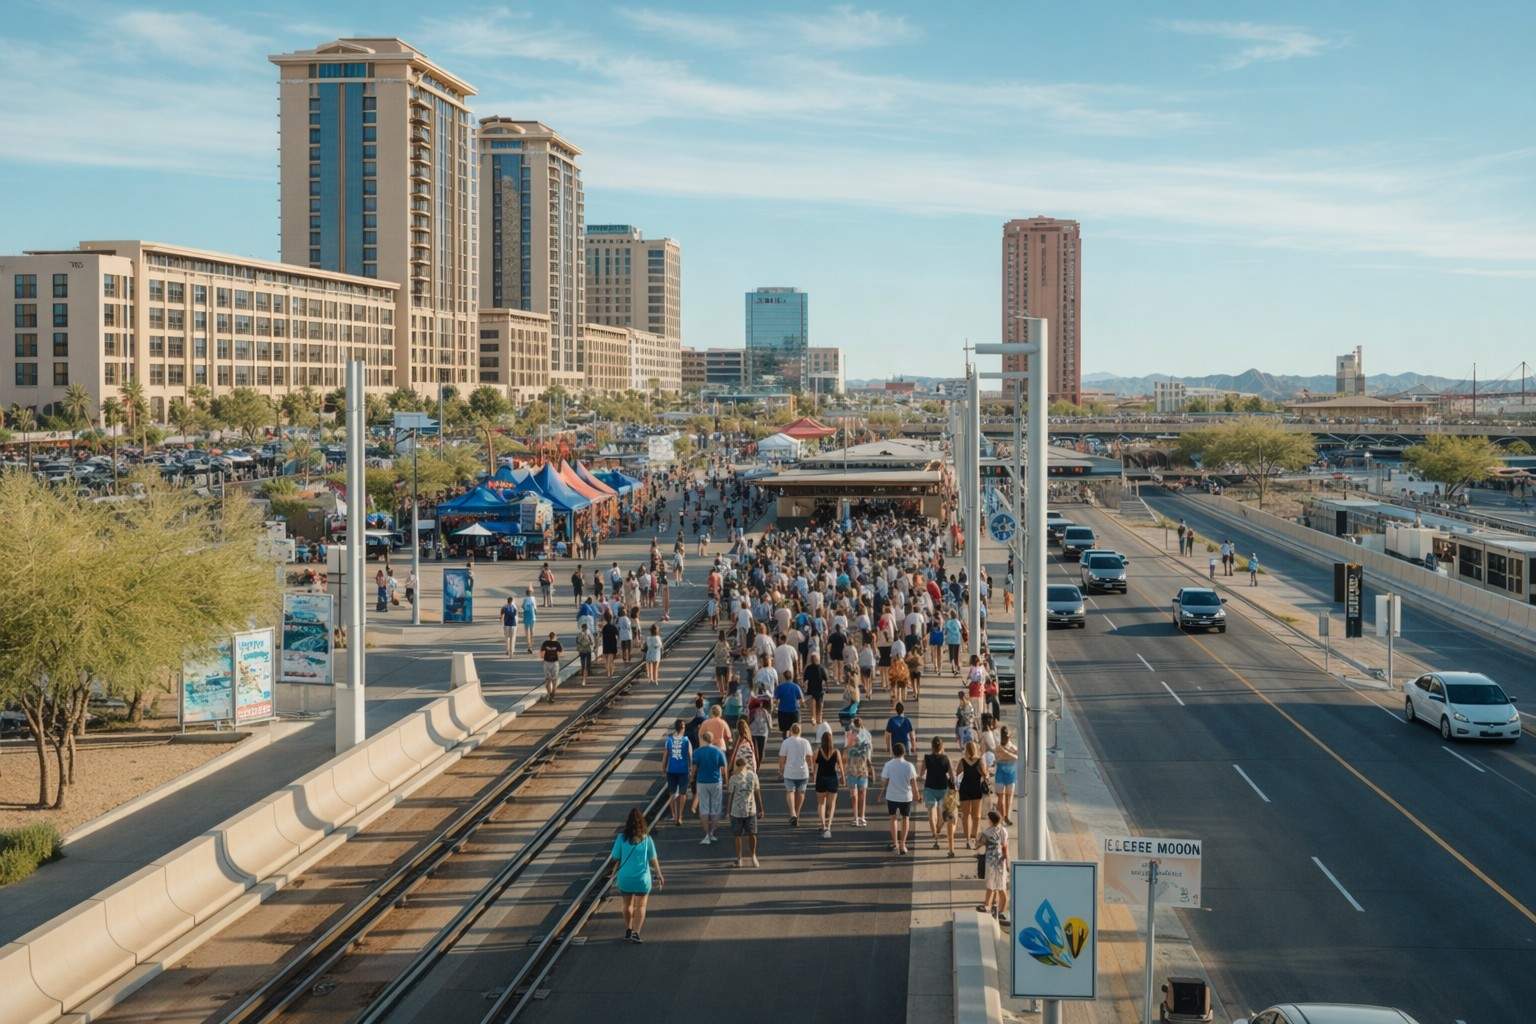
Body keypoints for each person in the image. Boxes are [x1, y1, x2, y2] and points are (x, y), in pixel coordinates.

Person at [609, 808, 663, 943]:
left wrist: (612, 872)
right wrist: (659, 874)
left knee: (627, 905)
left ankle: (628, 929)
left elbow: (615, 857)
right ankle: (636, 933)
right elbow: (653, 858)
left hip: (625, 878)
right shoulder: (647, 839)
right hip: (642, 879)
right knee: (641, 906)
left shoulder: (621, 838)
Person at [727, 751, 765, 868]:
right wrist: (761, 808)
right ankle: (746, 857)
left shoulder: (748, 776)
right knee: (748, 834)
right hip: (746, 810)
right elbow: (757, 792)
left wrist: (728, 811)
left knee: (744, 835)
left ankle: (745, 857)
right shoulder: (737, 777)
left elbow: (731, 796)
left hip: (743, 810)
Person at [922, 736, 957, 856]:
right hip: (943, 789)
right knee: (942, 814)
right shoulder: (946, 758)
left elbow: (921, 774)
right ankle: (938, 829)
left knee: (931, 813)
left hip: (929, 788)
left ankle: (935, 836)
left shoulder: (926, 758)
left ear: (932, 747)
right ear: (942, 747)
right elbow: (952, 776)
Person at [881, 742, 917, 856]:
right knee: (905, 819)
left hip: (892, 796)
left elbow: (884, 781)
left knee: (893, 818)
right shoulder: (909, 766)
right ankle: (903, 844)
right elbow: (914, 783)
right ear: (904, 752)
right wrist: (917, 795)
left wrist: (882, 792)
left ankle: (895, 843)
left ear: (893, 752)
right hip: (906, 796)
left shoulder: (888, 764)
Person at [692, 733, 728, 845]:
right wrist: (726, 781)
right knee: (716, 808)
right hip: (716, 781)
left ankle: (706, 835)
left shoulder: (697, 752)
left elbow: (694, 768)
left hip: (702, 782)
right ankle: (712, 833)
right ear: (712, 740)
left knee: (704, 808)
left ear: (703, 739)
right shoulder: (719, 751)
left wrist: (692, 778)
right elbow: (723, 768)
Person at [777, 722, 814, 827]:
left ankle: (792, 813)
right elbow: (809, 757)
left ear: (791, 731)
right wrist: (811, 770)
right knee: (801, 793)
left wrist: (781, 770)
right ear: (800, 731)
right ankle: (797, 815)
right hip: (803, 772)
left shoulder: (786, 742)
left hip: (789, 772)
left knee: (790, 792)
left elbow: (782, 758)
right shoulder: (805, 742)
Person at [978, 809, 1010, 925]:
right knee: (1002, 887)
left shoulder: (987, 832)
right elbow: (1005, 848)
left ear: (991, 820)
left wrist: (978, 838)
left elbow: (978, 844)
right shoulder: (1004, 831)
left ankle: (987, 906)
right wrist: (1007, 863)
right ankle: (1001, 911)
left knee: (990, 885)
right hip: (1001, 862)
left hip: (990, 862)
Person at [812, 730, 844, 838]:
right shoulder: (836, 752)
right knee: (832, 805)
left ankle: (823, 825)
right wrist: (843, 778)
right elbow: (840, 766)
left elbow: (814, 765)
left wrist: (813, 776)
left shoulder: (818, 751)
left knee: (821, 804)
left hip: (821, 779)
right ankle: (829, 826)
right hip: (832, 780)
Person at [662, 718, 692, 827]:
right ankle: (680, 816)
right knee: (683, 793)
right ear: (683, 728)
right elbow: (690, 755)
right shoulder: (686, 740)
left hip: (671, 770)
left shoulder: (669, 740)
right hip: (683, 770)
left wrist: (663, 768)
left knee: (672, 793)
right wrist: (690, 769)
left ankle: (674, 816)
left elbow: (665, 756)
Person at [956, 740, 988, 845]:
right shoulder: (980, 761)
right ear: (976, 749)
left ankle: (968, 839)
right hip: (976, 789)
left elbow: (957, 773)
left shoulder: (962, 761)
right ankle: (973, 838)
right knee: (976, 816)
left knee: (966, 815)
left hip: (965, 788)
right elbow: (985, 775)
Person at [844, 717, 872, 827]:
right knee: (862, 794)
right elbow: (869, 751)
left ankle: (855, 818)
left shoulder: (850, 735)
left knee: (853, 795)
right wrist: (869, 763)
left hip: (851, 768)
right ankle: (862, 817)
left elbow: (847, 749)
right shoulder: (867, 734)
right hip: (863, 767)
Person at [994, 726, 1018, 826]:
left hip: (1007, 774)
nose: (1005, 738)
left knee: (1007, 796)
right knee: (1003, 797)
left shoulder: (1001, 747)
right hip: (1006, 773)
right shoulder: (1001, 747)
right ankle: (1004, 816)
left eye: (1006, 736)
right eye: (1004, 736)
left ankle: (1006, 816)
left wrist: (1006, 753)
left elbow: (1016, 756)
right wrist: (1010, 754)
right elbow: (1015, 757)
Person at [773, 671, 805, 736]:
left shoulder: (780, 687)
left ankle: (785, 742)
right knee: (796, 729)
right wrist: (803, 705)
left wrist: (775, 707)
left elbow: (775, 700)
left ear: (784, 678)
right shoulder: (796, 687)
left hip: (783, 711)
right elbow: (802, 700)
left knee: (784, 730)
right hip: (794, 711)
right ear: (792, 677)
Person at [803, 652, 828, 725]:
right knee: (819, 705)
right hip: (819, 689)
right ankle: (818, 718)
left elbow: (805, 679)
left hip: (812, 689)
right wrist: (827, 688)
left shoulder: (808, 668)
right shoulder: (821, 668)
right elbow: (826, 678)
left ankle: (814, 718)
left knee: (813, 704)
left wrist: (804, 687)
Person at [539, 631, 564, 699]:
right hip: (555, 663)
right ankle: (553, 693)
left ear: (549, 637)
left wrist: (544, 657)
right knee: (554, 679)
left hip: (547, 662)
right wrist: (557, 655)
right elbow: (561, 653)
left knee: (547, 680)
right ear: (555, 637)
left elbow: (541, 654)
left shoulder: (545, 643)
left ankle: (549, 694)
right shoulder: (557, 643)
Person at [713, 630, 733, 700]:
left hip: (718, 664)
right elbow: (729, 653)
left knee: (720, 680)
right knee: (726, 680)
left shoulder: (717, 644)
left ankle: (722, 695)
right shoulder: (726, 644)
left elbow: (715, 654)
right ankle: (726, 694)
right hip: (726, 664)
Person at [520, 587, 538, 654]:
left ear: (526, 593)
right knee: (531, 632)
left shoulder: (525, 599)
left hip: (527, 615)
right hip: (532, 616)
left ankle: (529, 646)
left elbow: (523, 606)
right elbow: (535, 608)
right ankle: (530, 647)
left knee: (527, 632)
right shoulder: (533, 598)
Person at [600, 613, 619, 678]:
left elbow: (601, 635)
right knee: (611, 660)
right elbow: (617, 636)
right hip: (612, 645)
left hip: (606, 645)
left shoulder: (604, 627)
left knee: (607, 660)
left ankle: (608, 673)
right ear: (611, 619)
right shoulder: (613, 627)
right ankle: (610, 674)